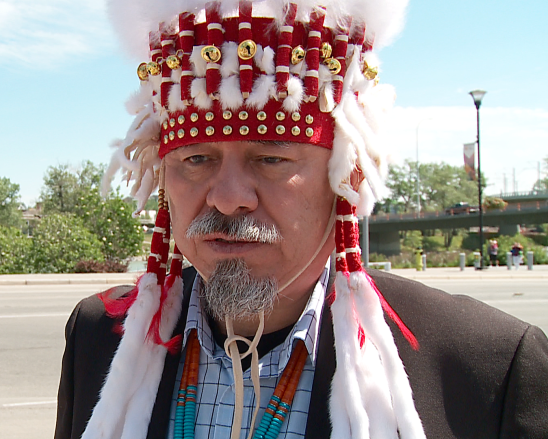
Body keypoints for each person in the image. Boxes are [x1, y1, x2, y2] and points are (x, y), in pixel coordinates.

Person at [55, 1, 548, 438]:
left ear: (343, 177)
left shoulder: (489, 368)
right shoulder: (97, 338)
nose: (228, 200)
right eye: (195, 159)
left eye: (271, 160)